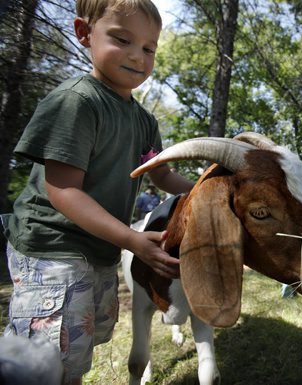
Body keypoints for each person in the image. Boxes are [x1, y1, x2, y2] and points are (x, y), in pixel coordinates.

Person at [1, 1, 194, 384]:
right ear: (84, 32)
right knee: (46, 362)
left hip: (100, 249)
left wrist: (215, 189)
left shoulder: (144, 120)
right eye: (122, 39)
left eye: (149, 48)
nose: (138, 56)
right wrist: (133, 240)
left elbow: (163, 177)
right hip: (53, 248)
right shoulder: (76, 102)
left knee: (74, 355)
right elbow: (63, 191)